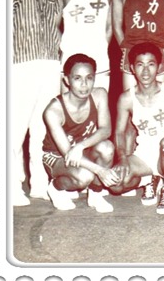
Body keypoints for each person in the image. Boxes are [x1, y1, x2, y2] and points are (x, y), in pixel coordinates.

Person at [12, 0, 62, 206]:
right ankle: (11, 184)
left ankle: (39, 184)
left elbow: (56, 25)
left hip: (50, 63)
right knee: (17, 126)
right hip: (23, 63)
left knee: (42, 128)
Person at [110, 42, 164, 215]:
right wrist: (122, 158)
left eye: (151, 64)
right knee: (115, 184)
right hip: (144, 155)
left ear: (159, 67)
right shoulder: (126, 99)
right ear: (132, 68)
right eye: (140, 65)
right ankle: (148, 180)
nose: (145, 71)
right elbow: (119, 132)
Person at [42, 54, 117, 212]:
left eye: (89, 78)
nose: (84, 84)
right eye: (77, 78)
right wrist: (100, 171)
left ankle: (95, 195)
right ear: (67, 80)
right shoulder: (53, 110)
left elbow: (106, 129)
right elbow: (67, 153)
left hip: (80, 149)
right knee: (85, 176)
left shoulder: (99, 95)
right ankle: (55, 188)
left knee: (107, 148)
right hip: (57, 156)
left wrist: (81, 146)